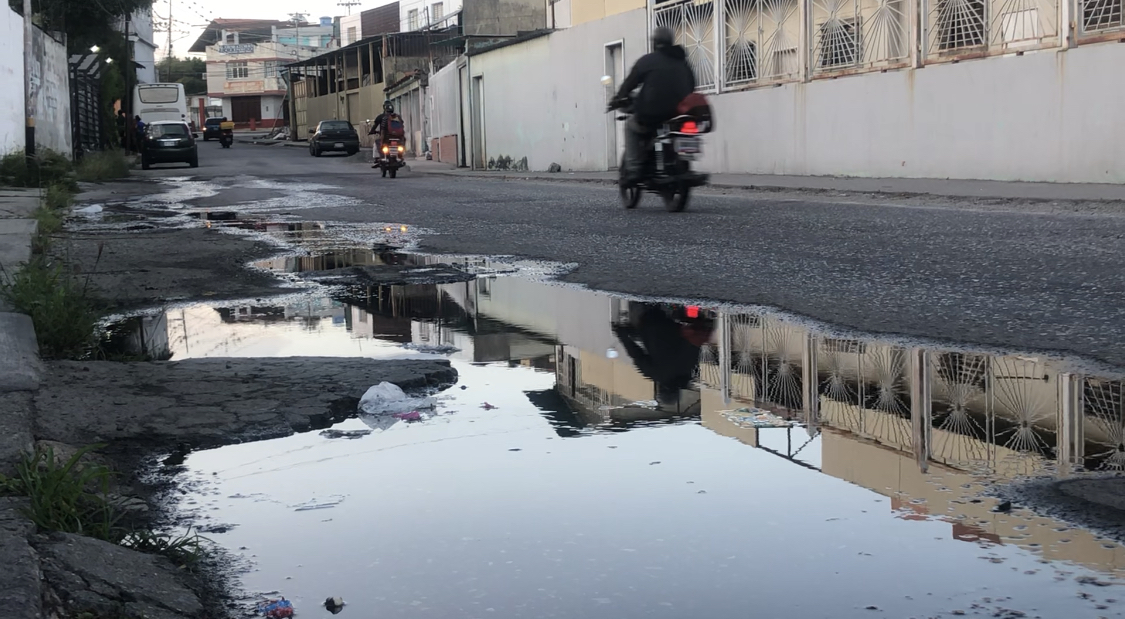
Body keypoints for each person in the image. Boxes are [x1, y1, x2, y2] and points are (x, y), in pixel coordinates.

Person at [611, 27, 696, 186]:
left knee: (630, 126)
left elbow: (630, 83)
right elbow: (692, 85)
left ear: (655, 43)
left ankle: (635, 168)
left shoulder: (647, 61)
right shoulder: (682, 61)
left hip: (651, 114)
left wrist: (618, 98)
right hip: (678, 114)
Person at [612, 303, 714, 408]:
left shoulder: (688, 373)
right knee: (635, 303)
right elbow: (635, 353)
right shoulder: (653, 373)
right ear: (660, 389)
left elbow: (695, 349)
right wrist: (622, 335)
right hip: (649, 325)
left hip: (677, 326)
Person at [368, 100, 395, 168]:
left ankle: (377, 159)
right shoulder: (396, 117)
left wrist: (371, 131)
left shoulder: (381, 117)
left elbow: (375, 126)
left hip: (385, 138)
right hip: (396, 138)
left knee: (377, 143)